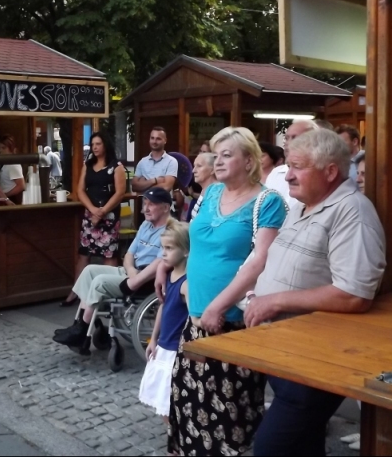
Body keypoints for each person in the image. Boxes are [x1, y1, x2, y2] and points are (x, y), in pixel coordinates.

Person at [246, 130, 386, 456]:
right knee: (304, 446)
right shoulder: (304, 204)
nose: (288, 174)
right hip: (287, 355)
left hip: (313, 361)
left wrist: (275, 300)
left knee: (271, 448)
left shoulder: (353, 212)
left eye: (297, 166)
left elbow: (354, 295)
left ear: (330, 172)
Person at [166, 127, 286, 456]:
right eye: (216, 155)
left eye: (227, 155)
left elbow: (259, 259)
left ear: (249, 161)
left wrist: (218, 307)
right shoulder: (212, 193)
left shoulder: (267, 201)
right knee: (189, 400)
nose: (217, 162)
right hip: (197, 315)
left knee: (229, 411)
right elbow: (196, 242)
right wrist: (182, 276)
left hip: (232, 321)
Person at [53, 187, 172, 349]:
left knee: (100, 281)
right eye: (145, 203)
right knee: (89, 271)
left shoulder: (171, 230)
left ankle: (82, 332)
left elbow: (161, 262)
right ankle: (79, 325)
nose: (146, 208)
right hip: (132, 272)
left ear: (166, 207)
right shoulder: (146, 225)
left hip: (146, 280)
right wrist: (130, 271)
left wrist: (135, 280)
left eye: (151, 204)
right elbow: (129, 254)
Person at [60, 132, 126, 307]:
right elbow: (80, 189)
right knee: (84, 253)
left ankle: (109, 292)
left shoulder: (116, 166)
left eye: (98, 144)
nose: (95, 147)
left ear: (105, 145)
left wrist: (102, 211)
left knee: (109, 254)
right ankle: (76, 292)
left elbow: (120, 192)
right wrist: (92, 210)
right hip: (90, 215)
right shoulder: (87, 165)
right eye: (93, 144)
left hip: (109, 214)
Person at [138, 219, 189, 420]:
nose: (163, 253)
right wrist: (154, 338)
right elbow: (163, 306)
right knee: (163, 402)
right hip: (164, 345)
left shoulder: (187, 284)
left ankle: (176, 441)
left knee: (171, 403)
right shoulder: (169, 275)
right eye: (162, 248)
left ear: (185, 250)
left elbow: (192, 317)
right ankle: (173, 438)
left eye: (169, 248)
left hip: (176, 349)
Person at [264, 119, 319, 208]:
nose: (287, 143)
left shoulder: (317, 172)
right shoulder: (275, 173)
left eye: (294, 138)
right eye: (286, 138)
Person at [131, 127, 178, 193]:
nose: (154, 141)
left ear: (165, 140)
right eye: (152, 138)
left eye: (158, 139)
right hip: (146, 203)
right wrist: (155, 181)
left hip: (163, 202)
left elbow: (166, 187)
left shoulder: (171, 161)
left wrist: (144, 185)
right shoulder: (142, 162)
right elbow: (134, 187)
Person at [184, 152, 217, 222]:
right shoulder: (205, 190)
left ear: (213, 170)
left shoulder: (216, 194)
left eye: (199, 166)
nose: (193, 171)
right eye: (194, 166)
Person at [0, 135, 26, 205]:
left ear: (11, 149)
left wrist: (5, 196)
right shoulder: (6, 163)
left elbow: (21, 186)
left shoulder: (13, 164)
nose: (0, 150)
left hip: (12, 200)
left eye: (3, 148)